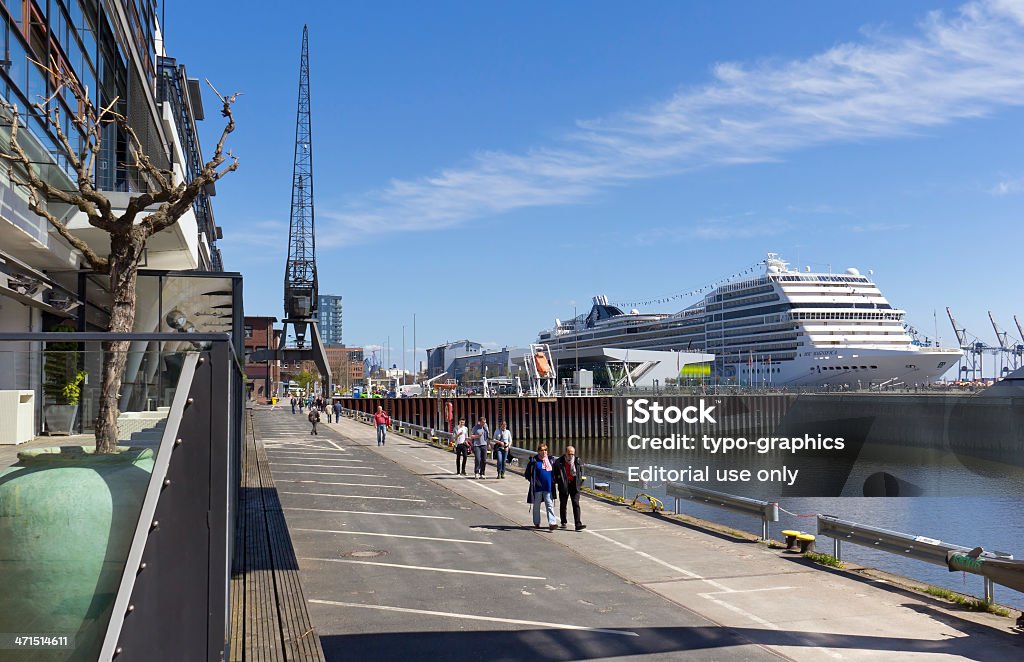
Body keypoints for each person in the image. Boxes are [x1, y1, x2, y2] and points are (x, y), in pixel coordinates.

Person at [524, 444, 558, 530]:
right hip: (537, 487)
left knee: (549, 504)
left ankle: (552, 523)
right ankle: (536, 522)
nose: (544, 452)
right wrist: (534, 482)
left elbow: (555, 473)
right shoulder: (534, 461)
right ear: (538, 451)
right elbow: (527, 474)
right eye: (542, 450)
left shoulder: (551, 460)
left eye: (545, 450)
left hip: (548, 486)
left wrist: (554, 481)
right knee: (536, 506)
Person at [553, 446, 586, 531]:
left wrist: (579, 483)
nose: (571, 456)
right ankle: (563, 522)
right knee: (563, 504)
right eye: (569, 454)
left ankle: (578, 524)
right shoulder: (559, 462)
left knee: (576, 503)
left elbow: (581, 472)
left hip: (574, 485)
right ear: (565, 453)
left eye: (572, 454)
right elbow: (554, 473)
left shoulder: (578, 461)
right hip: (564, 484)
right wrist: (558, 480)